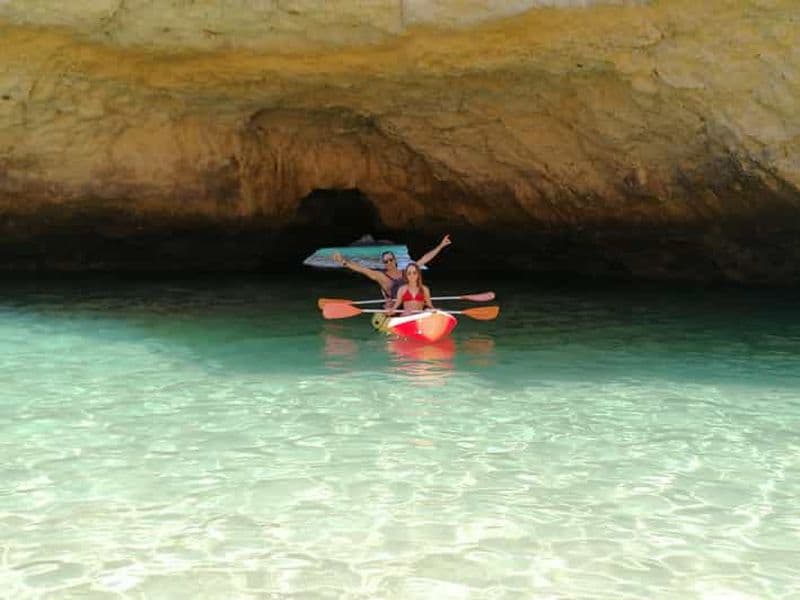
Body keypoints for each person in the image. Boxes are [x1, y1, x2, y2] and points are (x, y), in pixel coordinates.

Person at [332, 234, 451, 305]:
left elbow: (424, 259)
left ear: (395, 260)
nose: (389, 263)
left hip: (411, 303)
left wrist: (440, 246)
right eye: (386, 261)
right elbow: (362, 269)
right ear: (384, 264)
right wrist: (344, 261)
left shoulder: (406, 272)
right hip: (395, 306)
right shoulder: (382, 277)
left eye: (390, 260)